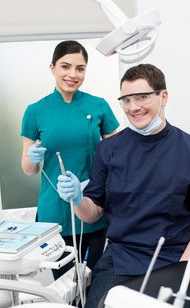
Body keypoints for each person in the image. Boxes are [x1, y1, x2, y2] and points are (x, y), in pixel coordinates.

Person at [56, 63, 190, 308]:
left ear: (163, 96)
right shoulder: (109, 150)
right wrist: (77, 199)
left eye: (142, 97)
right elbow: (91, 213)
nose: (133, 107)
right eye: (127, 99)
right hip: (122, 259)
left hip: (176, 257)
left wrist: (182, 272)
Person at [21, 40, 119, 279]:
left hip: (93, 206)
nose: (73, 74)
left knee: (95, 283)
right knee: (66, 287)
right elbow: (28, 169)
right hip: (54, 213)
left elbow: (118, 156)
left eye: (80, 68)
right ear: (52, 67)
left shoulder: (98, 106)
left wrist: (92, 184)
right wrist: (33, 157)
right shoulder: (35, 111)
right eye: (65, 66)